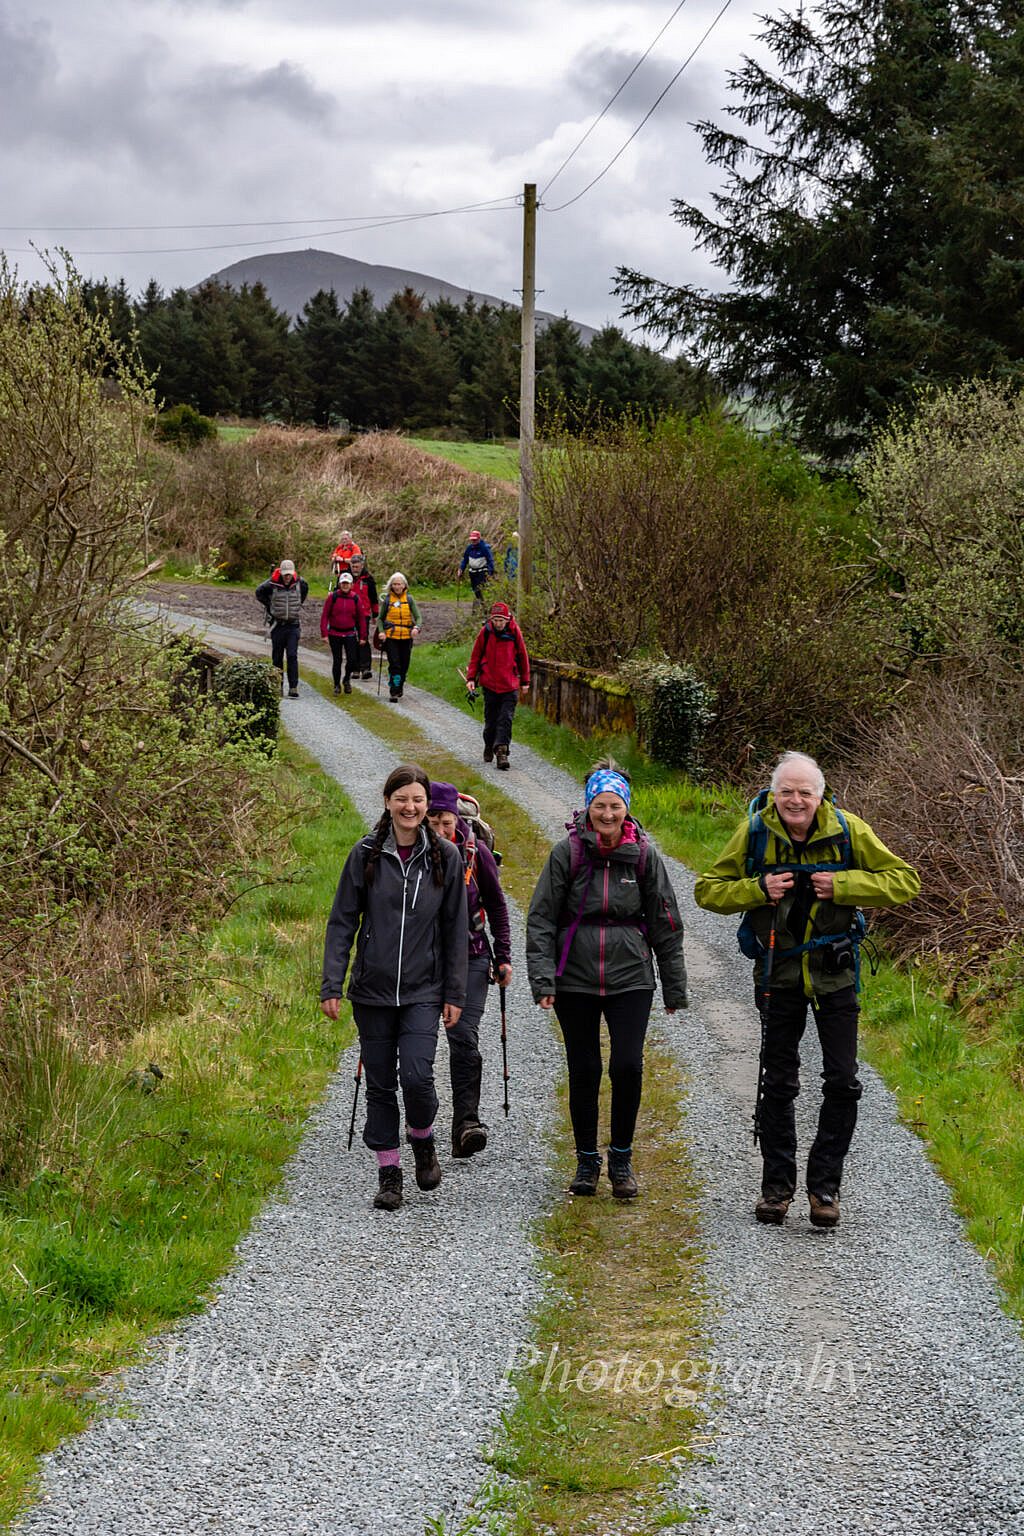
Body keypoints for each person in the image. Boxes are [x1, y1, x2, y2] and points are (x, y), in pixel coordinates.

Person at [693, 750, 920, 1230]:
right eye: (786, 792)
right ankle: (777, 1189)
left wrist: (843, 885)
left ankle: (824, 1188)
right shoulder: (755, 831)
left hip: (835, 973)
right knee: (777, 1081)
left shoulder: (849, 829)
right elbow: (708, 889)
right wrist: (758, 889)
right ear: (774, 795)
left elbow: (904, 881)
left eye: (805, 792)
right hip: (778, 973)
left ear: (821, 795)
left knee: (843, 1081)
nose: (796, 800)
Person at [526, 761, 687, 1199]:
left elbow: (666, 921)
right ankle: (585, 1162)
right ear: (588, 807)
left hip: (631, 977)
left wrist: (673, 987)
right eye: (600, 806)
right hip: (574, 978)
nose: (608, 815)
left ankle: (620, 1159)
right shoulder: (567, 853)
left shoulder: (645, 856)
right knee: (584, 1069)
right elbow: (541, 919)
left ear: (627, 808)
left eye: (615, 806)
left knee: (627, 1067)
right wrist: (543, 980)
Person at [320, 764, 468, 1212]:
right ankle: (389, 1172)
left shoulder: (445, 856)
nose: (410, 807)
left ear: (427, 806)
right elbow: (342, 921)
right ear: (388, 801)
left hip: (424, 990)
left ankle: (422, 1138)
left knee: (418, 1076)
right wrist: (332, 983)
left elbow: (456, 929)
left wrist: (455, 993)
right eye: (402, 798)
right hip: (373, 990)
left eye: (418, 800)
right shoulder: (366, 853)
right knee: (381, 1083)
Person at [426, 781, 511, 1159]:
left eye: (446, 821)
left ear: (456, 818)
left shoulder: (476, 854)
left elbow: (497, 905)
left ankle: (466, 1123)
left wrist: (503, 955)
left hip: (473, 956)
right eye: (433, 821)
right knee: (419, 1044)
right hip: (422, 961)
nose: (441, 829)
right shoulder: (409, 853)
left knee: (462, 1036)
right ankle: (421, 1123)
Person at [466, 601, 530, 771]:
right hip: (490, 685)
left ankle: (502, 752)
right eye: (496, 620)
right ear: (491, 620)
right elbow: (476, 656)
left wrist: (525, 681)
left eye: (501, 620)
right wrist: (471, 678)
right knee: (491, 721)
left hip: (509, 686)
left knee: (506, 719)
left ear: (507, 619)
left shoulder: (514, 632)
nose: (499, 624)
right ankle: (489, 745)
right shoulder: (485, 632)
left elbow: (523, 657)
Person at [255, 559, 308, 698]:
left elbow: (303, 594)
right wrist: (270, 606)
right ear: (281, 572)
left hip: (293, 625)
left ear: (293, 573)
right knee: (277, 657)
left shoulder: (300, 583)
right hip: (277, 625)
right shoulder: (271, 584)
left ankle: (293, 687)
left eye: (289, 574)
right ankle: (278, 686)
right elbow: (258, 593)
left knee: (292, 655)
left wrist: (295, 607)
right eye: (285, 574)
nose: (287, 577)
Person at [319, 570, 367, 694]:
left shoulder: (355, 598)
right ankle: (336, 684)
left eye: (347, 583)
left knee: (352, 660)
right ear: (340, 584)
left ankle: (346, 679)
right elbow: (325, 615)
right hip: (334, 633)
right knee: (337, 660)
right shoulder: (333, 597)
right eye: (343, 583)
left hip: (350, 633)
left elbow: (361, 619)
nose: (345, 585)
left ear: (351, 585)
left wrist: (363, 636)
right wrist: (324, 633)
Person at [376, 572, 421, 702]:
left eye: (399, 584)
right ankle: (394, 691)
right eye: (394, 584)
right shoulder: (388, 600)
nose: (397, 586)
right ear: (391, 585)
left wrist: (417, 628)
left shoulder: (410, 599)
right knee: (394, 664)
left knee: (404, 665)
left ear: (404, 585)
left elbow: (418, 617)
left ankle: (399, 685)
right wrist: (381, 631)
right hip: (391, 637)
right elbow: (380, 619)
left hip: (407, 637)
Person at [349, 551, 379, 679]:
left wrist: (375, 614)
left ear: (362, 566)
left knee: (363, 639)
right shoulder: (345, 577)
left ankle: (365, 668)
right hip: (348, 614)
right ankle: (354, 668)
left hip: (364, 614)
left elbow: (373, 597)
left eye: (357, 566)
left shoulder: (368, 579)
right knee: (351, 640)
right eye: (353, 566)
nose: (355, 569)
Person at [458, 529, 494, 606]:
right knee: (475, 589)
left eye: (475, 540)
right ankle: (481, 604)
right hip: (472, 572)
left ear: (479, 539)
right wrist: (461, 569)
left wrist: (490, 573)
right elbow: (465, 560)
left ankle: (483, 605)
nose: (473, 541)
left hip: (482, 572)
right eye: (472, 540)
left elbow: (490, 560)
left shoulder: (484, 548)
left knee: (480, 588)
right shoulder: (469, 548)